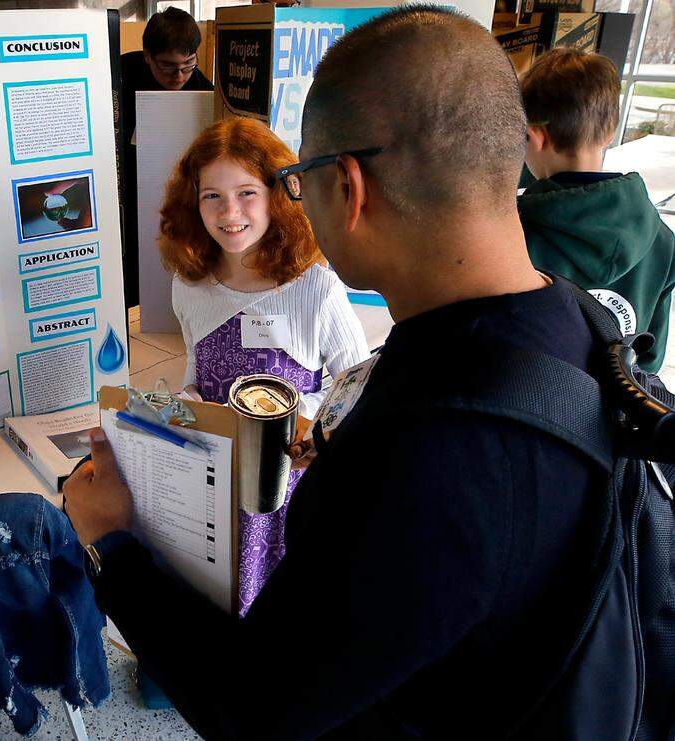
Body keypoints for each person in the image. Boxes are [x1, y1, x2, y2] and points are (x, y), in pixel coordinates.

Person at [64, 6, 609, 737]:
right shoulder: (588, 329)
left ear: (345, 187)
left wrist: (111, 543)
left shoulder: (420, 458)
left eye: (292, 180)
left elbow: (256, 704)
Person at [158, 116, 368, 615]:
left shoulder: (314, 286)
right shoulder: (189, 286)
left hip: (288, 477)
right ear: (193, 201)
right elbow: (195, 375)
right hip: (213, 471)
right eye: (212, 195)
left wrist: (303, 420)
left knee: (284, 598)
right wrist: (184, 405)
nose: (230, 212)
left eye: (247, 193)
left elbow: (356, 381)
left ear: (279, 194)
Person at [519, 47, 674, 373]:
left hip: (533, 407)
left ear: (534, 137)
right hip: (614, 412)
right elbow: (648, 359)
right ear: (611, 131)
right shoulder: (663, 241)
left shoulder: (513, 234)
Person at [120, 7, 213, 308]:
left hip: (174, 194)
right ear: (147, 56)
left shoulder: (203, 90)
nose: (180, 76)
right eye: (169, 67)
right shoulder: (120, 73)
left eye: (188, 65)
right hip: (126, 188)